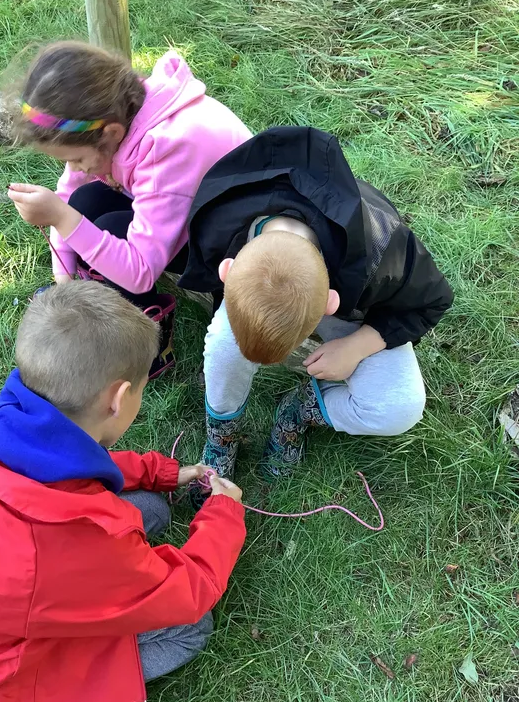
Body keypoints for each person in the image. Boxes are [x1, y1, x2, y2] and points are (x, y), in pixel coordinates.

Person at [0, 282, 246, 702]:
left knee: (150, 512)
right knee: (191, 627)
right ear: (118, 398)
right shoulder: (78, 543)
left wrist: (162, 472)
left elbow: (79, 466)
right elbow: (188, 590)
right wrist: (224, 511)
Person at [178, 126, 454, 481]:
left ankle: (298, 411)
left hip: (357, 300)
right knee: (222, 343)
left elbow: (434, 301)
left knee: (401, 406)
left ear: (330, 303)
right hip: (280, 286)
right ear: (227, 270)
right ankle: (222, 433)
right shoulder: (216, 222)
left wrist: (357, 345)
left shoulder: (385, 254)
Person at [7, 41, 251, 377]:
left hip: (233, 250)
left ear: (111, 134)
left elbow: (139, 274)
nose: (75, 167)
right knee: (86, 202)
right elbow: (69, 192)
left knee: (107, 227)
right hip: (196, 210)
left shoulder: (164, 149)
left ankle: (149, 346)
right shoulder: (121, 113)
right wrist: (63, 279)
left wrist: (62, 219)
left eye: (76, 158)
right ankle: (104, 293)